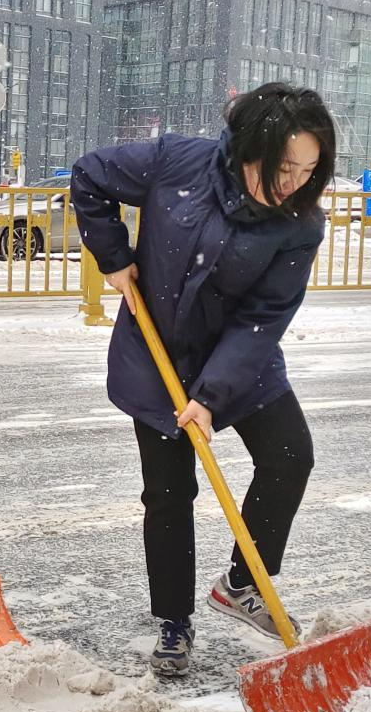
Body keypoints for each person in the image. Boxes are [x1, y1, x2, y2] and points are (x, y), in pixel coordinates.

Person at [71, 83, 335, 677]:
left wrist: (212, 396)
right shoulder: (177, 162)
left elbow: (264, 315)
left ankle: (243, 583)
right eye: (284, 168)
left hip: (241, 356)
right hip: (158, 353)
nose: (293, 184)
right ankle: (174, 620)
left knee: (290, 455)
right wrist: (113, 256)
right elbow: (89, 176)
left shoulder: (300, 224)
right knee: (169, 494)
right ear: (251, 148)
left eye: (308, 171)